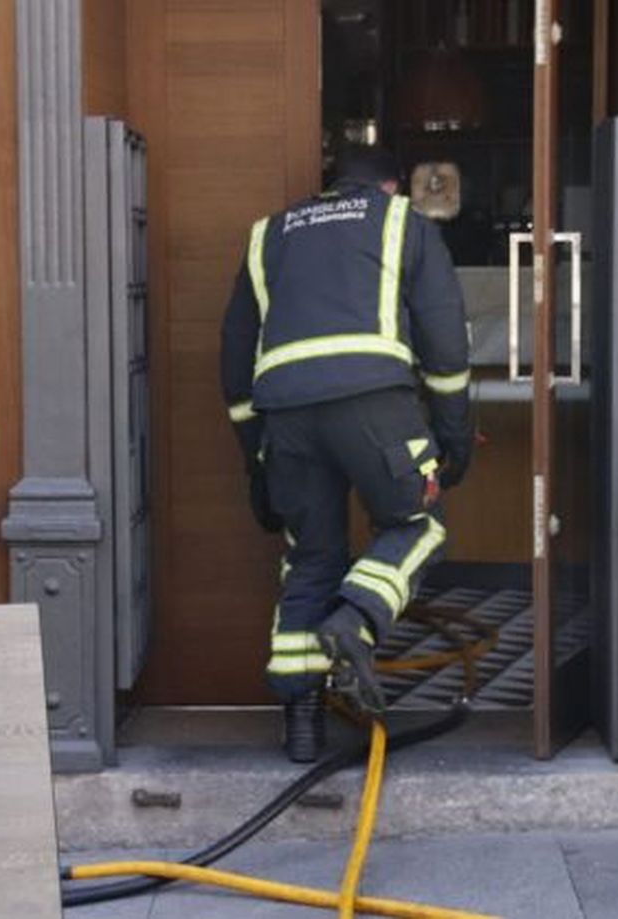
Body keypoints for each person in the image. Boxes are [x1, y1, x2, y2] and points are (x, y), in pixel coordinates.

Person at [220, 145, 474, 762]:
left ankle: (302, 726)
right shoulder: (402, 222)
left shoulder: (267, 235)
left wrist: (257, 465)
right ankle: (355, 620)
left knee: (311, 558)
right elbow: (445, 346)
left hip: (285, 417)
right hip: (376, 408)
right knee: (417, 524)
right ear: (390, 186)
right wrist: (452, 443)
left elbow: (233, 362)